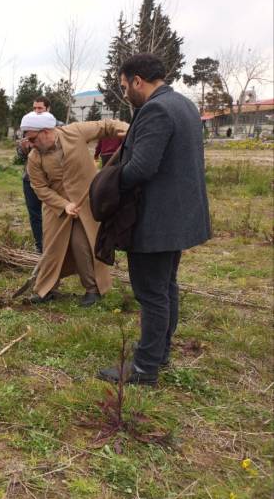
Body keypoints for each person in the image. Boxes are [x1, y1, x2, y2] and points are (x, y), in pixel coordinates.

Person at [98, 53, 210, 385]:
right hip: (178, 216)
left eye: (124, 86)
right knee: (164, 287)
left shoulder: (156, 110)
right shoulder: (184, 104)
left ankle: (145, 368)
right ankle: (158, 353)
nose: (124, 93)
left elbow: (141, 168)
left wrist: (109, 183)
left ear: (137, 81)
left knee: (151, 293)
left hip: (157, 219)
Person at [24, 112, 128, 307]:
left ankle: (93, 289)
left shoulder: (75, 132)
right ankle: (45, 289)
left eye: (33, 138)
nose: (31, 144)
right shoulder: (34, 158)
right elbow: (39, 188)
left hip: (86, 204)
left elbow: (105, 126)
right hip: (57, 208)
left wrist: (129, 130)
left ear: (46, 132)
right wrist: (64, 205)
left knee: (82, 244)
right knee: (52, 249)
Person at [16, 96, 51, 253]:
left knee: (53, 214)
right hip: (29, 179)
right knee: (35, 214)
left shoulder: (55, 128)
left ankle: (54, 244)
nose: (37, 111)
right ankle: (40, 245)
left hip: (51, 181)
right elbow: (20, 156)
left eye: (40, 108)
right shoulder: (27, 127)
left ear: (47, 109)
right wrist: (24, 149)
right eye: (35, 108)